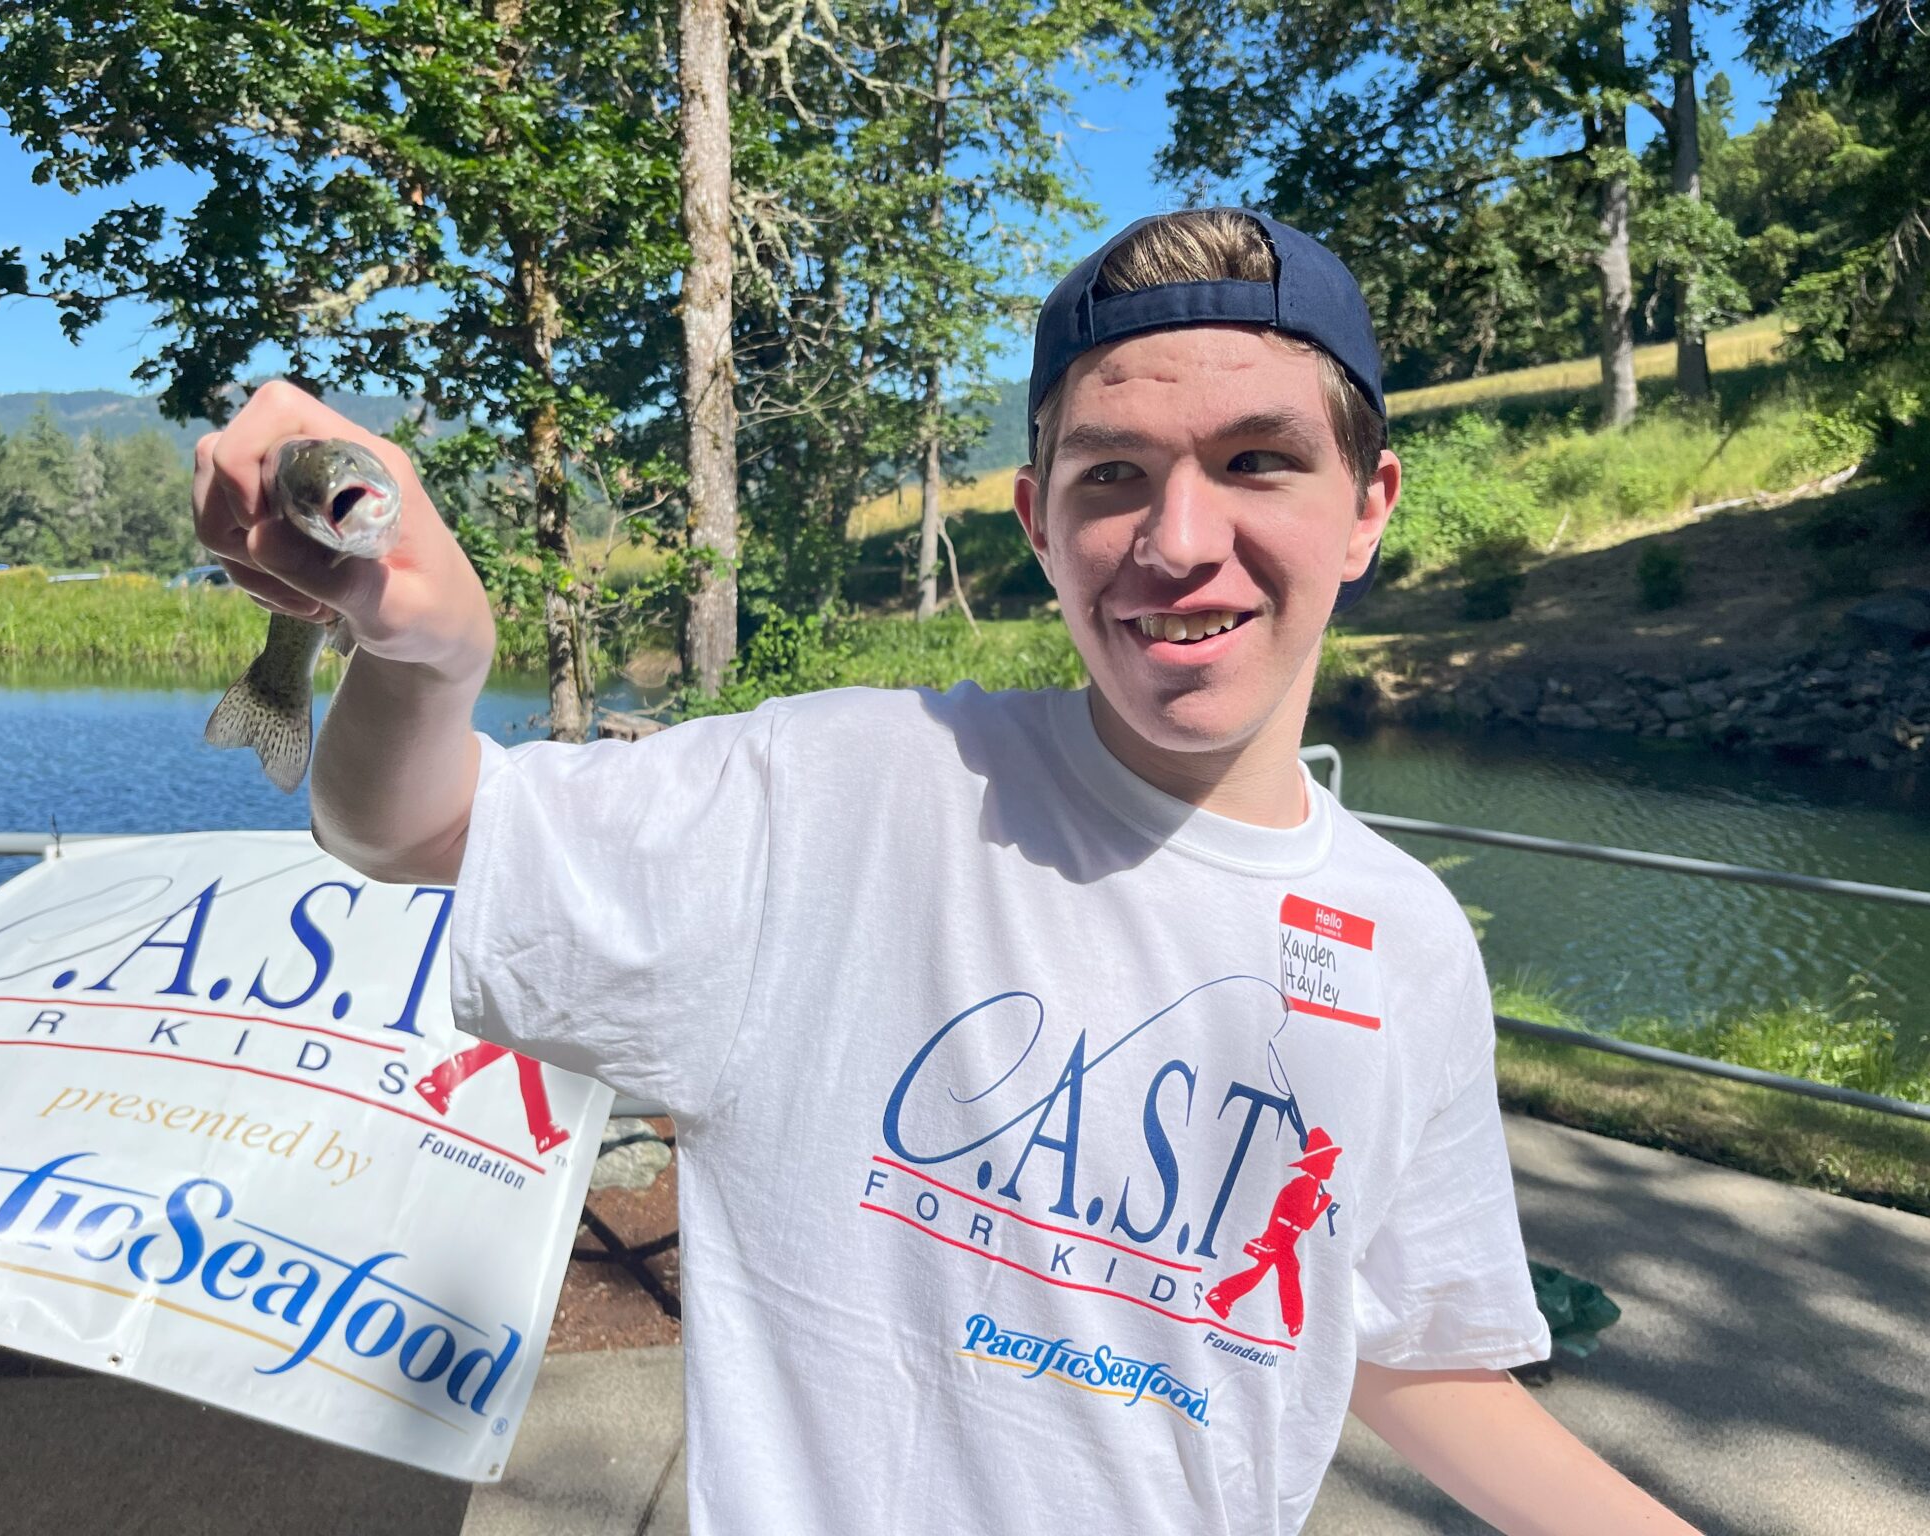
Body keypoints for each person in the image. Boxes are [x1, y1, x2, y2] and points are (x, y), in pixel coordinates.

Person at [192, 208, 1703, 1534]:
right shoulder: (843, 792)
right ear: (1038, 518)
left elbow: (1396, 1341)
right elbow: (412, 829)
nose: (1180, 542)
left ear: (1368, 505)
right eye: (1113, 475)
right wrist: (424, 656)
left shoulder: (1408, 941)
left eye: (1258, 462)